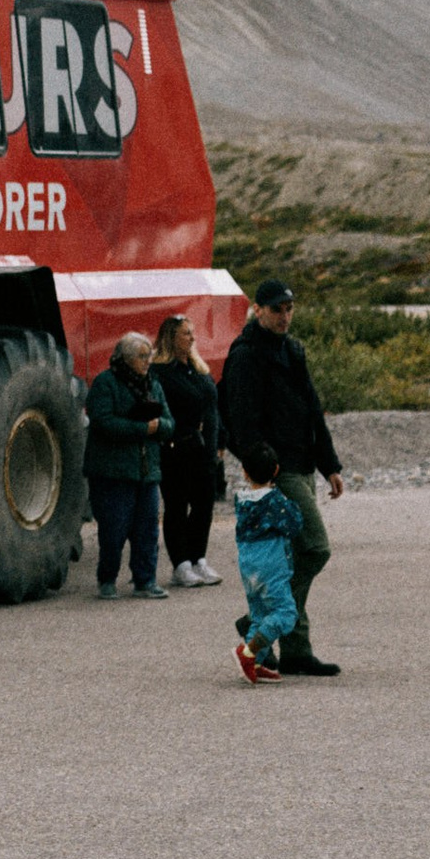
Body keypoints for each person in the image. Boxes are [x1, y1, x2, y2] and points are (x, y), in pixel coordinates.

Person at [219, 280, 345, 676]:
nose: (284, 316)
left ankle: (294, 648)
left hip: (303, 464)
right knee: (315, 548)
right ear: (258, 310)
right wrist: (263, 469)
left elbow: (312, 408)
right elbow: (240, 421)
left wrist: (330, 466)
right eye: (277, 309)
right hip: (278, 470)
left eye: (289, 309)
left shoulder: (292, 350)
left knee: (292, 558)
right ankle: (259, 625)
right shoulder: (245, 356)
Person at [83, 331, 174, 599]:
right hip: (112, 472)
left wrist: (159, 428)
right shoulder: (105, 383)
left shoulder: (152, 385)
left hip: (147, 471)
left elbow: (169, 422)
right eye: (142, 357)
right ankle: (107, 578)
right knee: (113, 529)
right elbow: (102, 422)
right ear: (125, 358)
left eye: (150, 356)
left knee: (147, 529)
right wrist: (141, 429)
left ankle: (145, 580)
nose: (148, 362)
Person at [152, 315, 226, 588]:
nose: (192, 338)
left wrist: (220, 442)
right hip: (177, 449)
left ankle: (199, 559)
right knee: (177, 505)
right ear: (172, 338)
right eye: (186, 333)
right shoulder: (160, 373)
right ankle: (180, 564)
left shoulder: (198, 370)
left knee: (204, 504)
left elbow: (213, 408)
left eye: (193, 332)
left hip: (204, 448)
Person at [230, 440, 301, 684]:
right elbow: (295, 524)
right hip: (271, 567)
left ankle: (255, 662)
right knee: (286, 613)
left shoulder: (242, 500)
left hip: (247, 564)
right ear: (276, 471)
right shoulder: (274, 501)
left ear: (244, 472)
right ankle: (248, 653)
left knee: (259, 613)